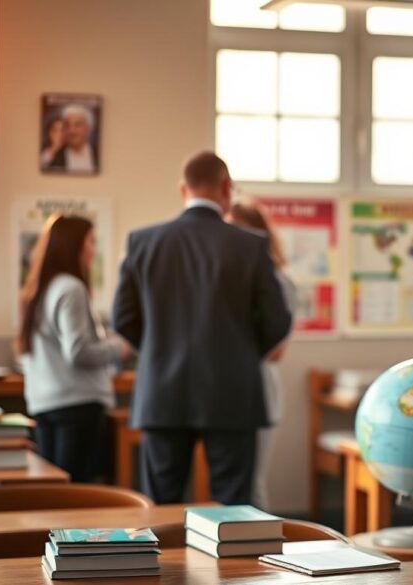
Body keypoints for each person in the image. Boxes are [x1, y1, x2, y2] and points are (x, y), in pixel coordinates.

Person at [112, 151, 292, 505]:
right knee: (233, 509)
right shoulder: (251, 246)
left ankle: (164, 562)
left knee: (161, 505)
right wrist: (240, 352)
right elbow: (277, 321)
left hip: (162, 392)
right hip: (232, 392)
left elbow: (123, 318)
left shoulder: (143, 242)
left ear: (183, 189)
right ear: (226, 187)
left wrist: (157, 349)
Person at [17, 215, 131, 482]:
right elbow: (78, 351)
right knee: (76, 491)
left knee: (55, 490)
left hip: (44, 403)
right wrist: (119, 347)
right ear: (74, 246)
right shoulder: (71, 288)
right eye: (90, 241)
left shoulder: (37, 290)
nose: (94, 249)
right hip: (76, 405)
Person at [227, 197, 297, 510]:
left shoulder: (280, 282)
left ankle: (259, 555)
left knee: (251, 485)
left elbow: (277, 351)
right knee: (232, 485)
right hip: (228, 392)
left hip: (259, 392)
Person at [45, 104, 98, 173]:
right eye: (67, 125)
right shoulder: (57, 157)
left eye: (77, 125)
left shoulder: (97, 154)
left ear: (87, 129)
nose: (72, 131)